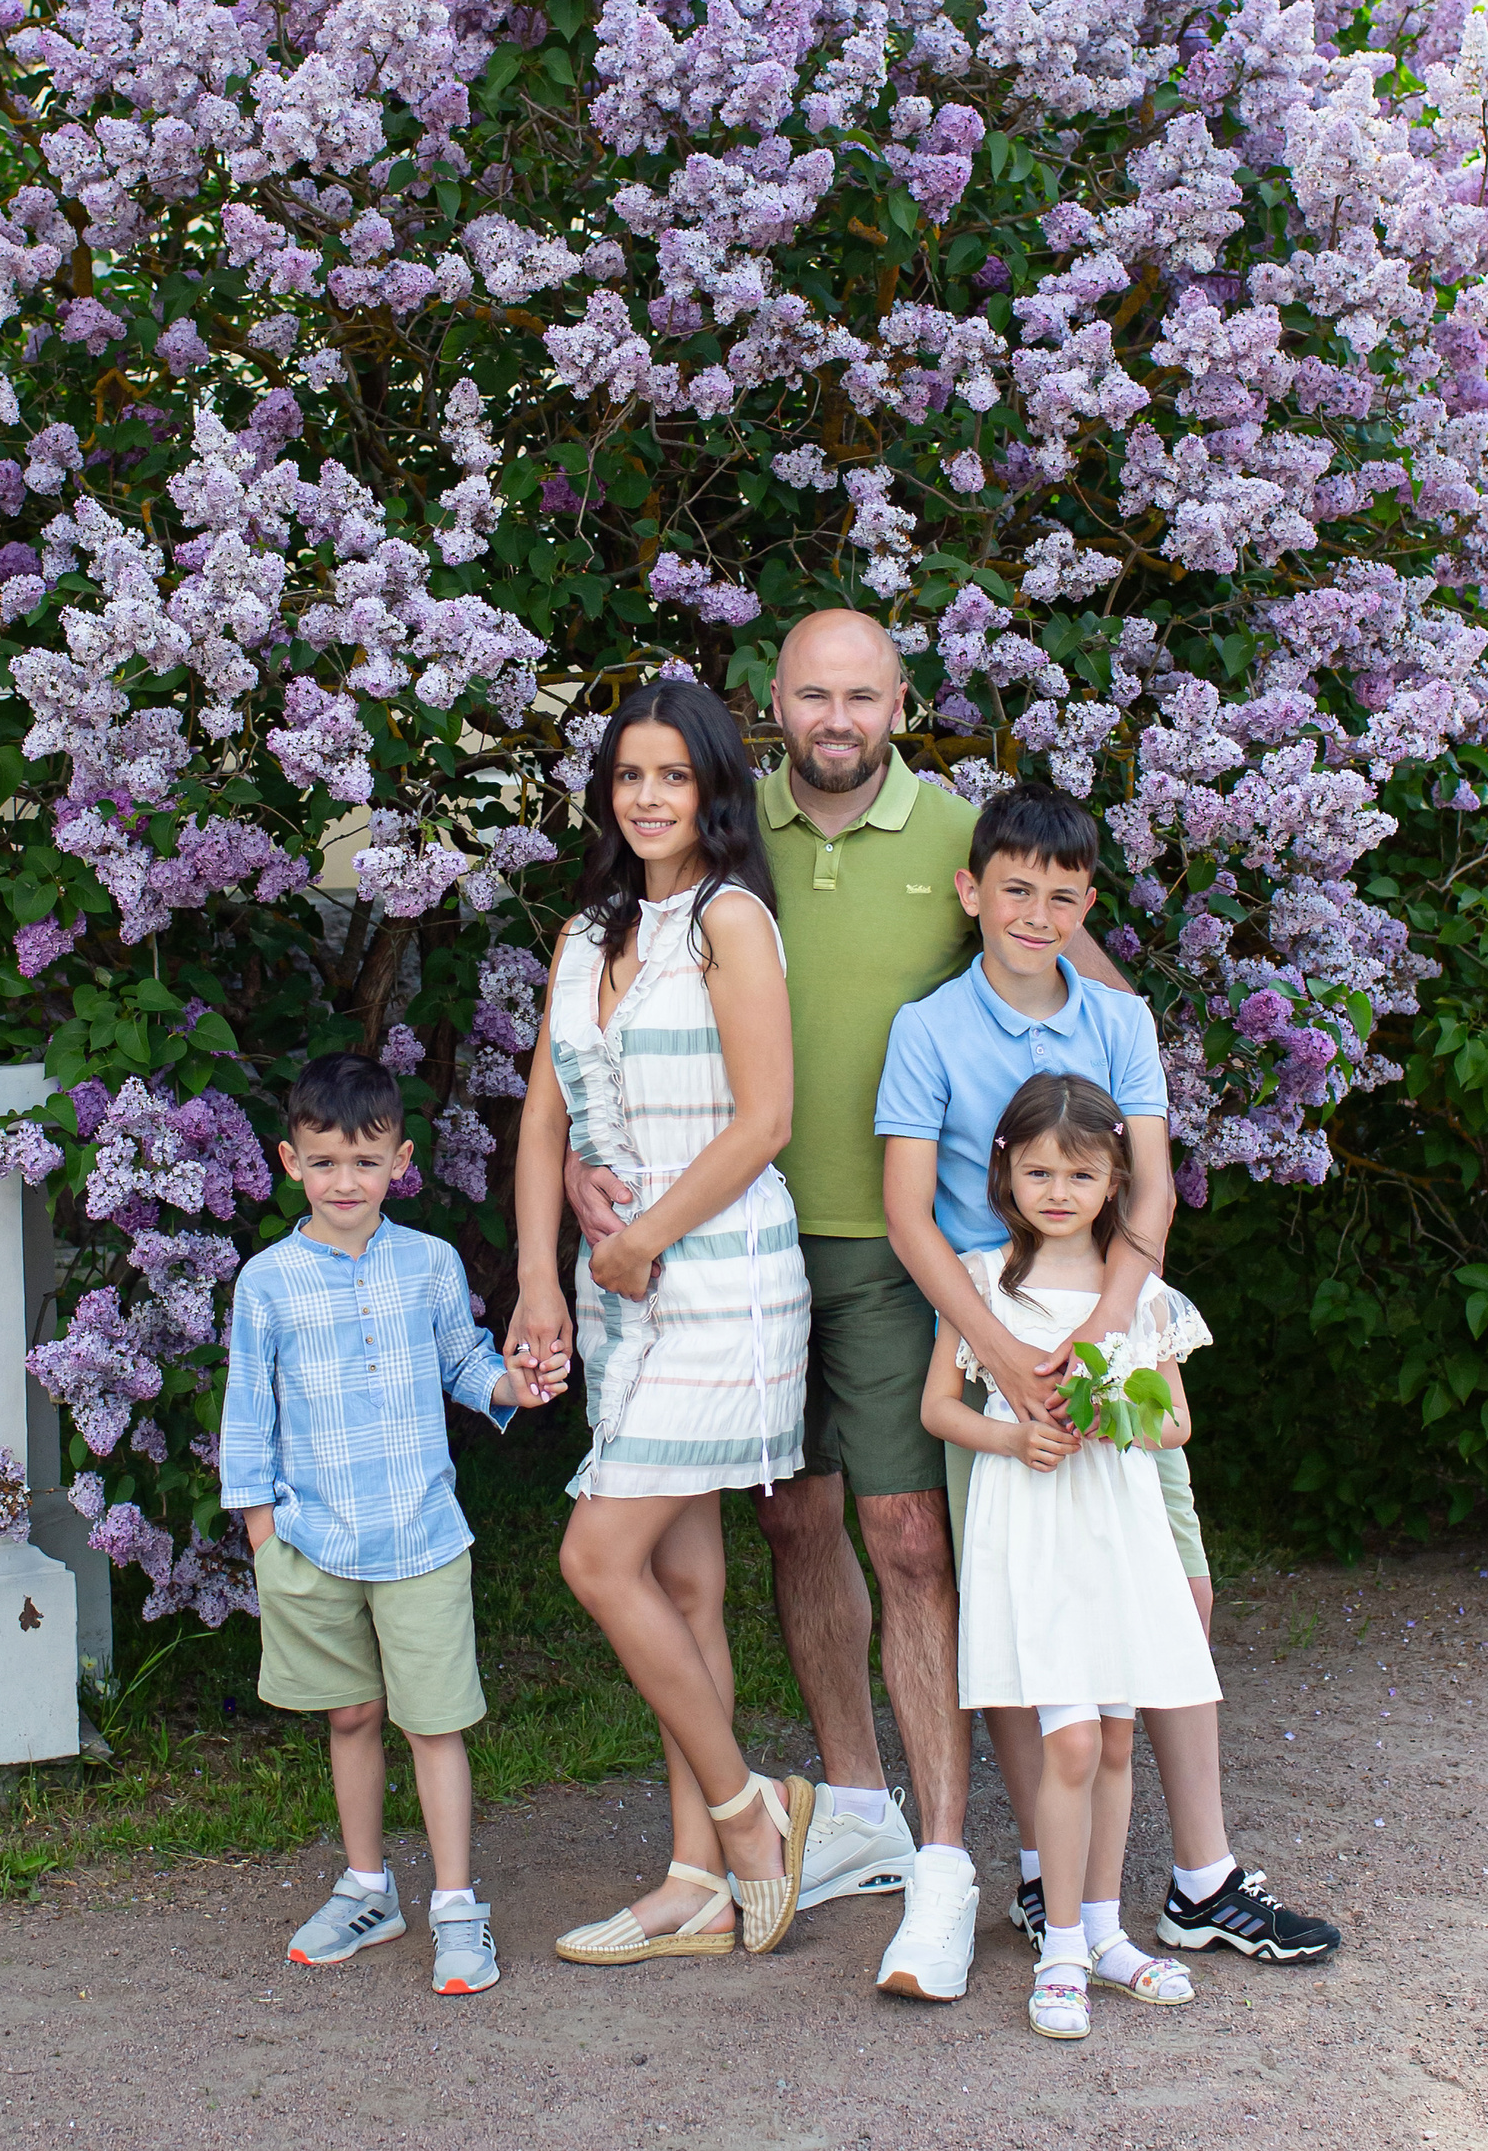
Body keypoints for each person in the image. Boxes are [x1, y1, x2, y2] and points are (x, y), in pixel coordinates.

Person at [567, 613, 1144, 1978]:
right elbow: (619, 1007)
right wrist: (598, 1163)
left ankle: (943, 1851)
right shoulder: (724, 828)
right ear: (776, 702)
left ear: (902, 702)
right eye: (813, 692)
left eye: (863, 695)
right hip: (736, 1249)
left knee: (905, 1533)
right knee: (793, 1519)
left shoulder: (956, 831)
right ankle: (860, 1805)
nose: (837, 715)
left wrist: (1130, 1153)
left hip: (896, 1246)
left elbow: (1076, 974)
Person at [879, 783, 1340, 1978]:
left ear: (1086, 904)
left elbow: (1150, 1191)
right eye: (1013, 889)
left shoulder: (1118, 1020)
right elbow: (906, 1213)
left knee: (1173, 1602)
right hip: (996, 1342)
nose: (1035, 913)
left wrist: (1106, 1332)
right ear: (973, 894)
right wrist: (1001, 1347)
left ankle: (1201, 1881)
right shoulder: (929, 1027)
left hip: (1115, 1340)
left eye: (1060, 894)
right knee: (1031, 1634)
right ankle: (1049, 1882)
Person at [509, 677, 818, 1964]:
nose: (647, 799)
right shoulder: (585, 935)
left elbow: (765, 1120)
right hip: (615, 1287)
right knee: (683, 1580)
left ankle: (752, 1818)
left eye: (671, 778)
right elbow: (543, 1119)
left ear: (711, 793)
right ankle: (695, 1880)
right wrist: (540, 1278)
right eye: (628, 777)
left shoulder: (729, 921)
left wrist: (637, 1235)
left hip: (722, 1285)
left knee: (596, 1558)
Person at [221, 1051, 560, 1997]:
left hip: (419, 1536)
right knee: (351, 1715)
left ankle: (457, 1905)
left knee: (434, 1721)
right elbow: (248, 1415)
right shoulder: (268, 1283)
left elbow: (464, 1363)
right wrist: (263, 1541)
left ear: (400, 1163)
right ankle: (369, 1887)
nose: (344, 1181)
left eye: (365, 1163)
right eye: (323, 1162)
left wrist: (513, 1385)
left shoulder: (430, 1265)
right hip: (314, 1542)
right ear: (290, 1162)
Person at [921, 1072, 1215, 2041]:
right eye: (1038, 1170)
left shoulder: (1137, 1291)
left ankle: (1106, 1934)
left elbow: (1173, 1420)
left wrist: (1114, 1415)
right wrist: (1015, 1437)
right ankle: (1057, 1949)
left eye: (1080, 1174)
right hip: (1035, 1532)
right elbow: (940, 1409)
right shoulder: (976, 1276)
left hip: (1118, 1533)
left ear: (1113, 1180)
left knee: (1120, 1736)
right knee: (1072, 1738)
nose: (1058, 1191)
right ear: (1005, 1168)